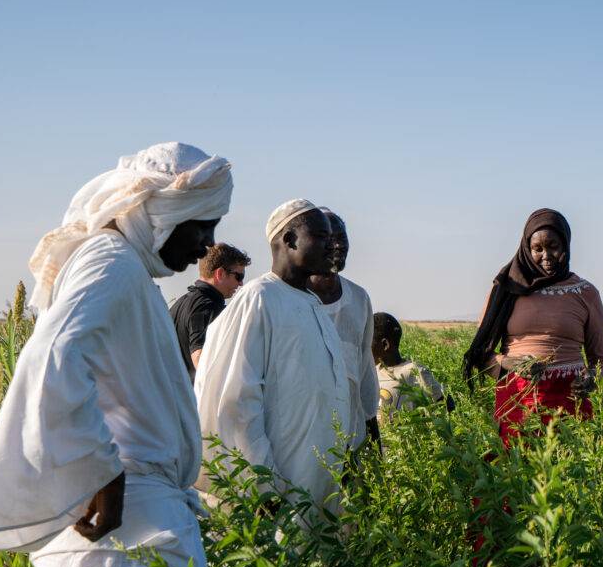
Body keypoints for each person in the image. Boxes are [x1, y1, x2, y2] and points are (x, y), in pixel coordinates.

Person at [0, 142, 233, 567]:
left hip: (130, 525)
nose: (205, 248)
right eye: (201, 228)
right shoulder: (111, 262)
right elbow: (56, 355)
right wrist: (101, 472)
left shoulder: (120, 266)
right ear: (162, 214)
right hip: (118, 531)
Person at [194, 199, 351, 514]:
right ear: (290, 240)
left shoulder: (311, 305)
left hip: (319, 488)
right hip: (276, 499)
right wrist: (261, 486)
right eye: (321, 236)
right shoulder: (258, 300)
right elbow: (234, 401)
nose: (332, 245)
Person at [462, 208, 603, 447]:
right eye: (537, 249)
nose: (546, 255)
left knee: (568, 476)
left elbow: (600, 361)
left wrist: (592, 379)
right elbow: (480, 357)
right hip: (517, 404)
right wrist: (511, 365)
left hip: (570, 402)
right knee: (516, 475)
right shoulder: (507, 289)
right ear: (527, 249)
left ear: (566, 245)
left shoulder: (586, 293)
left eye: (553, 246)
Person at [307, 208, 380, 451]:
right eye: (329, 238)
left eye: (342, 237)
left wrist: (373, 436)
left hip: (352, 438)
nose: (338, 245)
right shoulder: (290, 298)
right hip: (306, 443)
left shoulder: (358, 298)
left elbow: (365, 368)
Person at [169, 242, 251, 381]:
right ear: (220, 273)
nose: (241, 283)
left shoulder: (180, 303)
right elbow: (201, 362)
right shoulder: (209, 306)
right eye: (239, 276)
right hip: (194, 399)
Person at [372, 311, 453, 418]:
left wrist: (425, 419)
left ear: (385, 345)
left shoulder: (414, 370)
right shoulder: (374, 370)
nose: (363, 348)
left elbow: (446, 403)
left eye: (368, 342)